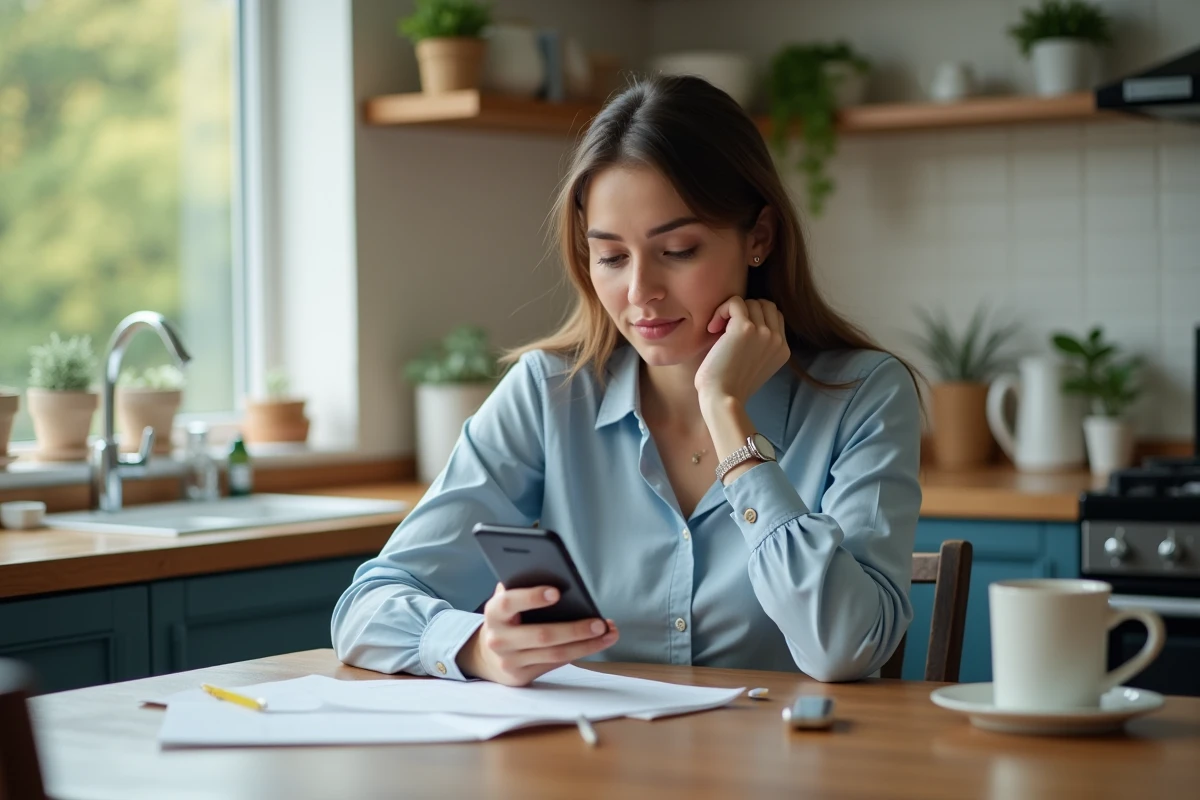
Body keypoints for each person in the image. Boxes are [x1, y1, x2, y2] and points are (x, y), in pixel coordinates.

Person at [332, 75, 922, 687]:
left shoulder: (863, 395)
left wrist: (727, 414)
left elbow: (846, 649)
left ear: (759, 238)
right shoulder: (548, 393)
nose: (640, 292)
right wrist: (478, 647)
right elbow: (366, 608)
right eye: (612, 257)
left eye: (679, 250)